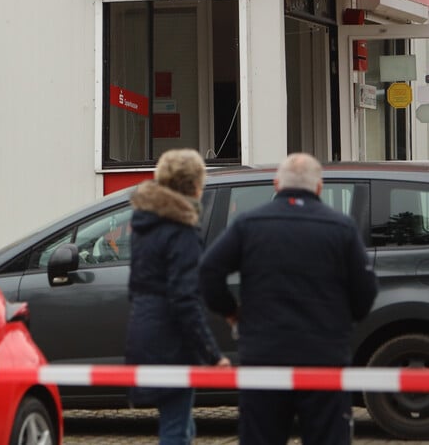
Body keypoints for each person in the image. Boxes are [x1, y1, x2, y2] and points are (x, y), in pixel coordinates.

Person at [199, 152, 378, 445]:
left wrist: (231, 312)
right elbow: (366, 290)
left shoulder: (248, 224)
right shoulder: (341, 228)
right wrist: (345, 321)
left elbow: (208, 271)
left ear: (276, 184)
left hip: (264, 353)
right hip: (323, 353)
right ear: (319, 187)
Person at [125, 148, 230, 445]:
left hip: (144, 332)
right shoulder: (181, 231)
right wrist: (213, 354)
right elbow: (184, 298)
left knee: (181, 424)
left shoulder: (144, 226)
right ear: (194, 186)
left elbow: (137, 287)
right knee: (176, 426)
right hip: (171, 341)